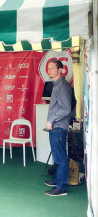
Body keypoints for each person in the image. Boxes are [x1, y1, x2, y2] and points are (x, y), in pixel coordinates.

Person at [44, 59, 73, 197]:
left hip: (58, 127)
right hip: (56, 127)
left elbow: (66, 108)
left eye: (52, 68)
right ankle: (57, 181)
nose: (49, 70)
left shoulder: (62, 86)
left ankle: (61, 187)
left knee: (60, 158)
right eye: (48, 68)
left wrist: (51, 119)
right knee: (57, 157)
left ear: (60, 70)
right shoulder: (57, 85)